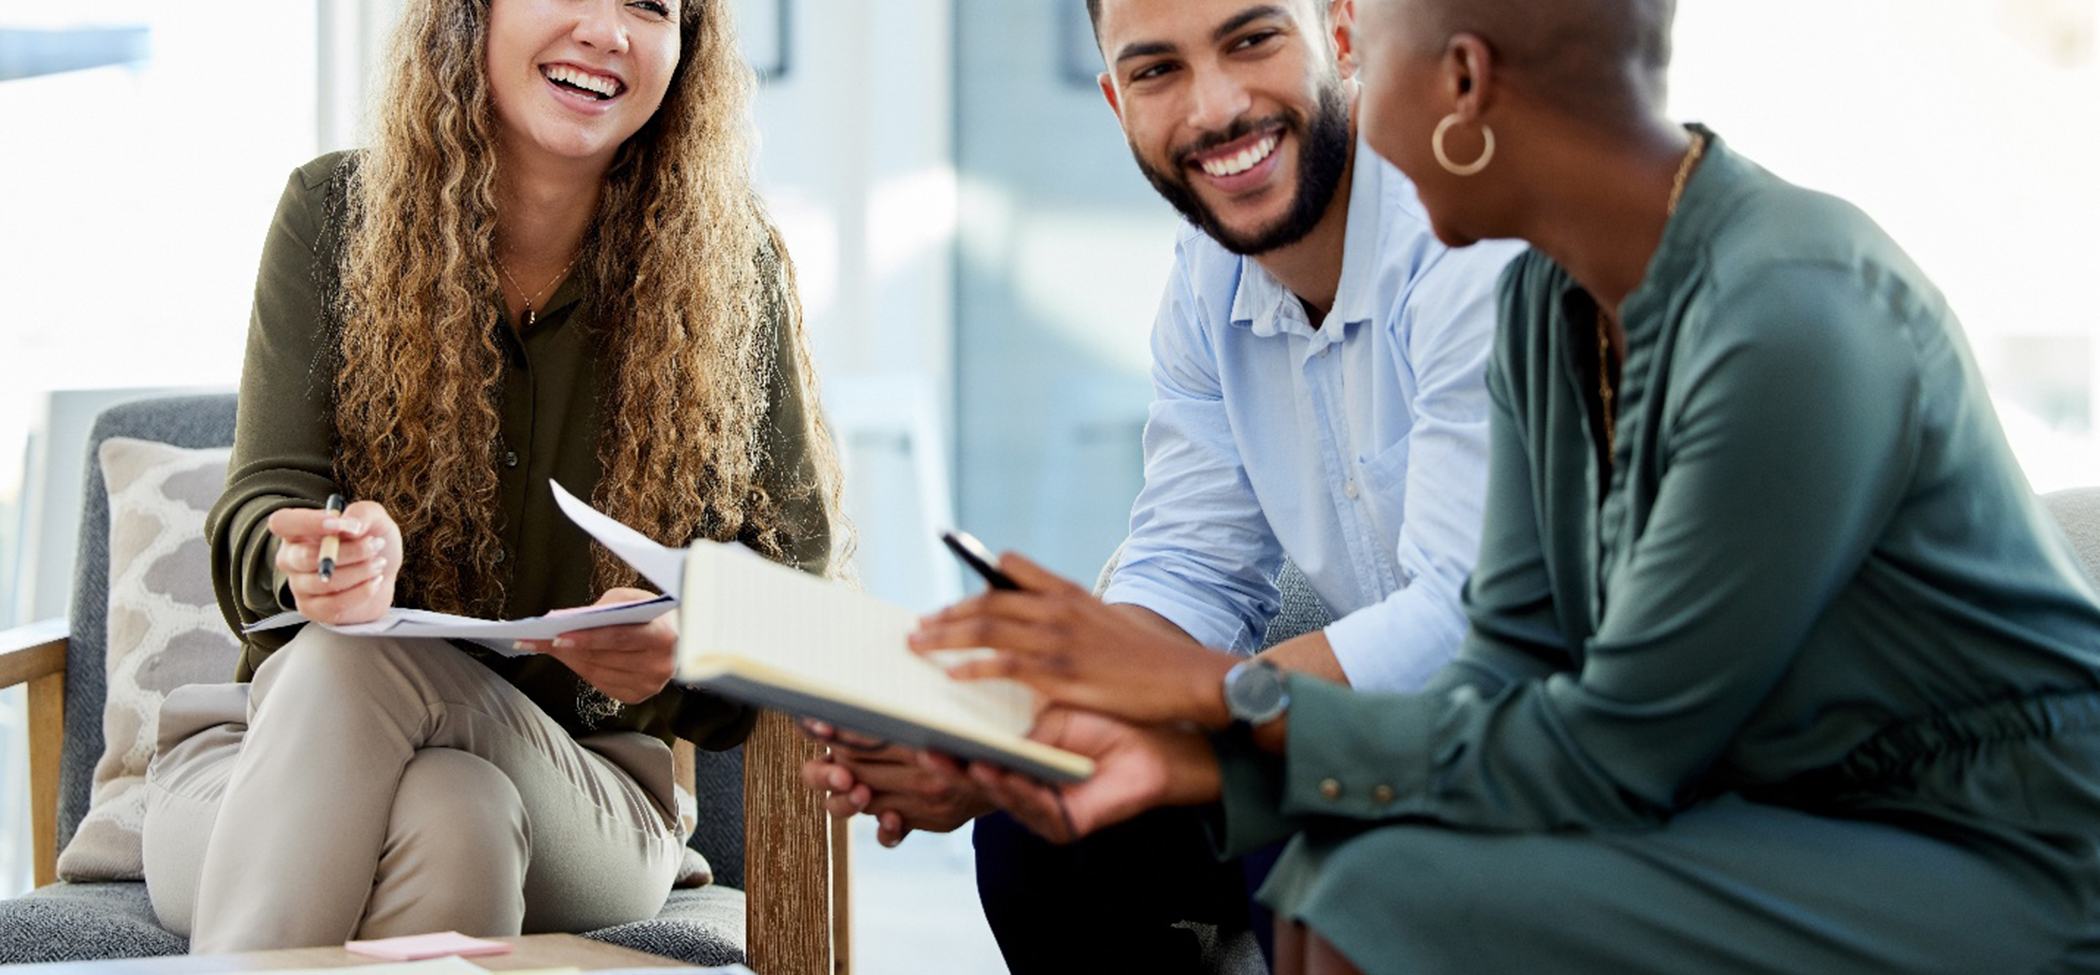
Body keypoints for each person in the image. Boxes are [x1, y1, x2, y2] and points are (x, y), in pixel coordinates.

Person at [914, 0, 2100, 971]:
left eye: (1369, 54)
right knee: (1351, 872)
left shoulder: (1790, 314)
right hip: (1748, 789)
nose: (1353, 98)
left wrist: (1202, 717)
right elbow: (1504, 661)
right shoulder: (1551, 301)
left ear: (1463, 83)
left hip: (1991, 842)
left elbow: (1610, 747)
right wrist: (1171, 741)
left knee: (1385, 892)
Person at [804, 0, 1517, 969]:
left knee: (1291, 821)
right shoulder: (1206, 277)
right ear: (1114, 101)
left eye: (1252, 39)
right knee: (1037, 835)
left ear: (1341, 29)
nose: (1215, 108)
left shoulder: (1460, 237)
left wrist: (1181, 702)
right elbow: (1189, 567)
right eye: (1155, 71)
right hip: (1349, 733)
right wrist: (1003, 741)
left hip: (1511, 750)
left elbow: (1457, 624)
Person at [140, 0, 840, 952]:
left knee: (368, 675)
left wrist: (690, 645)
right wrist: (323, 558)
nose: (606, 29)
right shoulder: (332, 216)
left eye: (651, 4)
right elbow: (265, 505)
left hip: (581, 793)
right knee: (453, 810)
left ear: (688, 49)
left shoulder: (732, 269)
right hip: (263, 760)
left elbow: (796, 597)